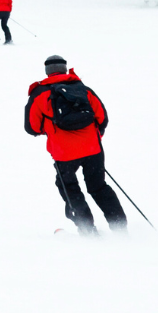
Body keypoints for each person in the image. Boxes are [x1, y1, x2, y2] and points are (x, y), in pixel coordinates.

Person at [24, 55, 127, 235]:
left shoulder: (39, 94)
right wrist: (94, 136)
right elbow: (102, 118)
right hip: (92, 149)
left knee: (70, 188)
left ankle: (87, 230)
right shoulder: (83, 89)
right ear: (65, 69)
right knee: (99, 186)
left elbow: (32, 127)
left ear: (47, 72)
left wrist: (50, 130)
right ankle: (120, 228)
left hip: (63, 153)